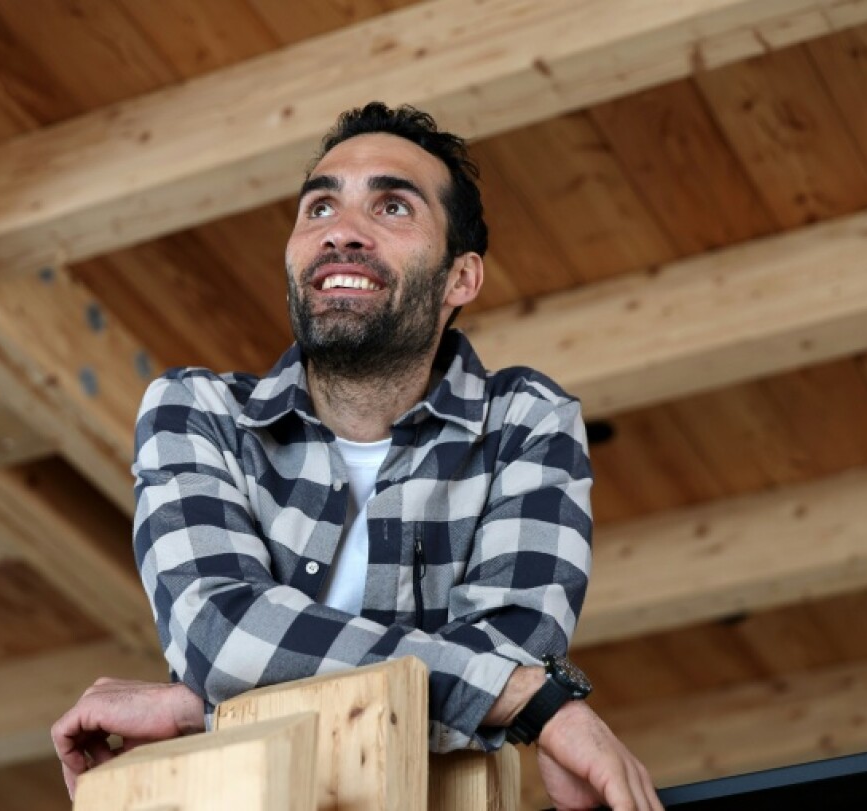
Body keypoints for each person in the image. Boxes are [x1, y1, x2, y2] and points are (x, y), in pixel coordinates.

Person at [53, 102, 661, 811]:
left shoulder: (525, 422)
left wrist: (208, 708)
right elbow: (224, 633)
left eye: (392, 206)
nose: (341, 231)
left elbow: (510, 651)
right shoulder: (198, 412)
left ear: (461, 279)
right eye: (319, 207)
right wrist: (529, 701)